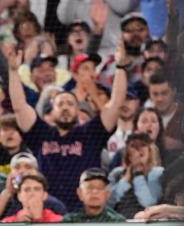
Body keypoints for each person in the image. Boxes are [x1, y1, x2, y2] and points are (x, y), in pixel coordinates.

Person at [8, 39, 129, 212]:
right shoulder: (41, 133)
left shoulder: (91, 133)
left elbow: (116, 103)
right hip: (46, 213)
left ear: (78, 110)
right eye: (60, 104)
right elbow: (19, 107)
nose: (65, 107)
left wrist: (121, 67)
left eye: (70, 104)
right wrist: (13, 71)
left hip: (84, 214)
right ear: (52, 110)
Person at [0, 152, 67, 222]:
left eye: (28, 167)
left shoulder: (52, 204)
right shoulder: (4, 200)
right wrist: (8, 191)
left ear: (37, 172)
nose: (22, 171)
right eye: (17, 167)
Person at [109, 131, 164, 218]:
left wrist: (138, 173)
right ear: (127, 152)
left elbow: (149, 203)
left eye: (142, 145)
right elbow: (110, 203)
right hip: (119, 223)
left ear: (149, 151)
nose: (138, 149)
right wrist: (125, 180)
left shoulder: (158, 173)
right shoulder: (116, 173)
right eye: (134, 146)